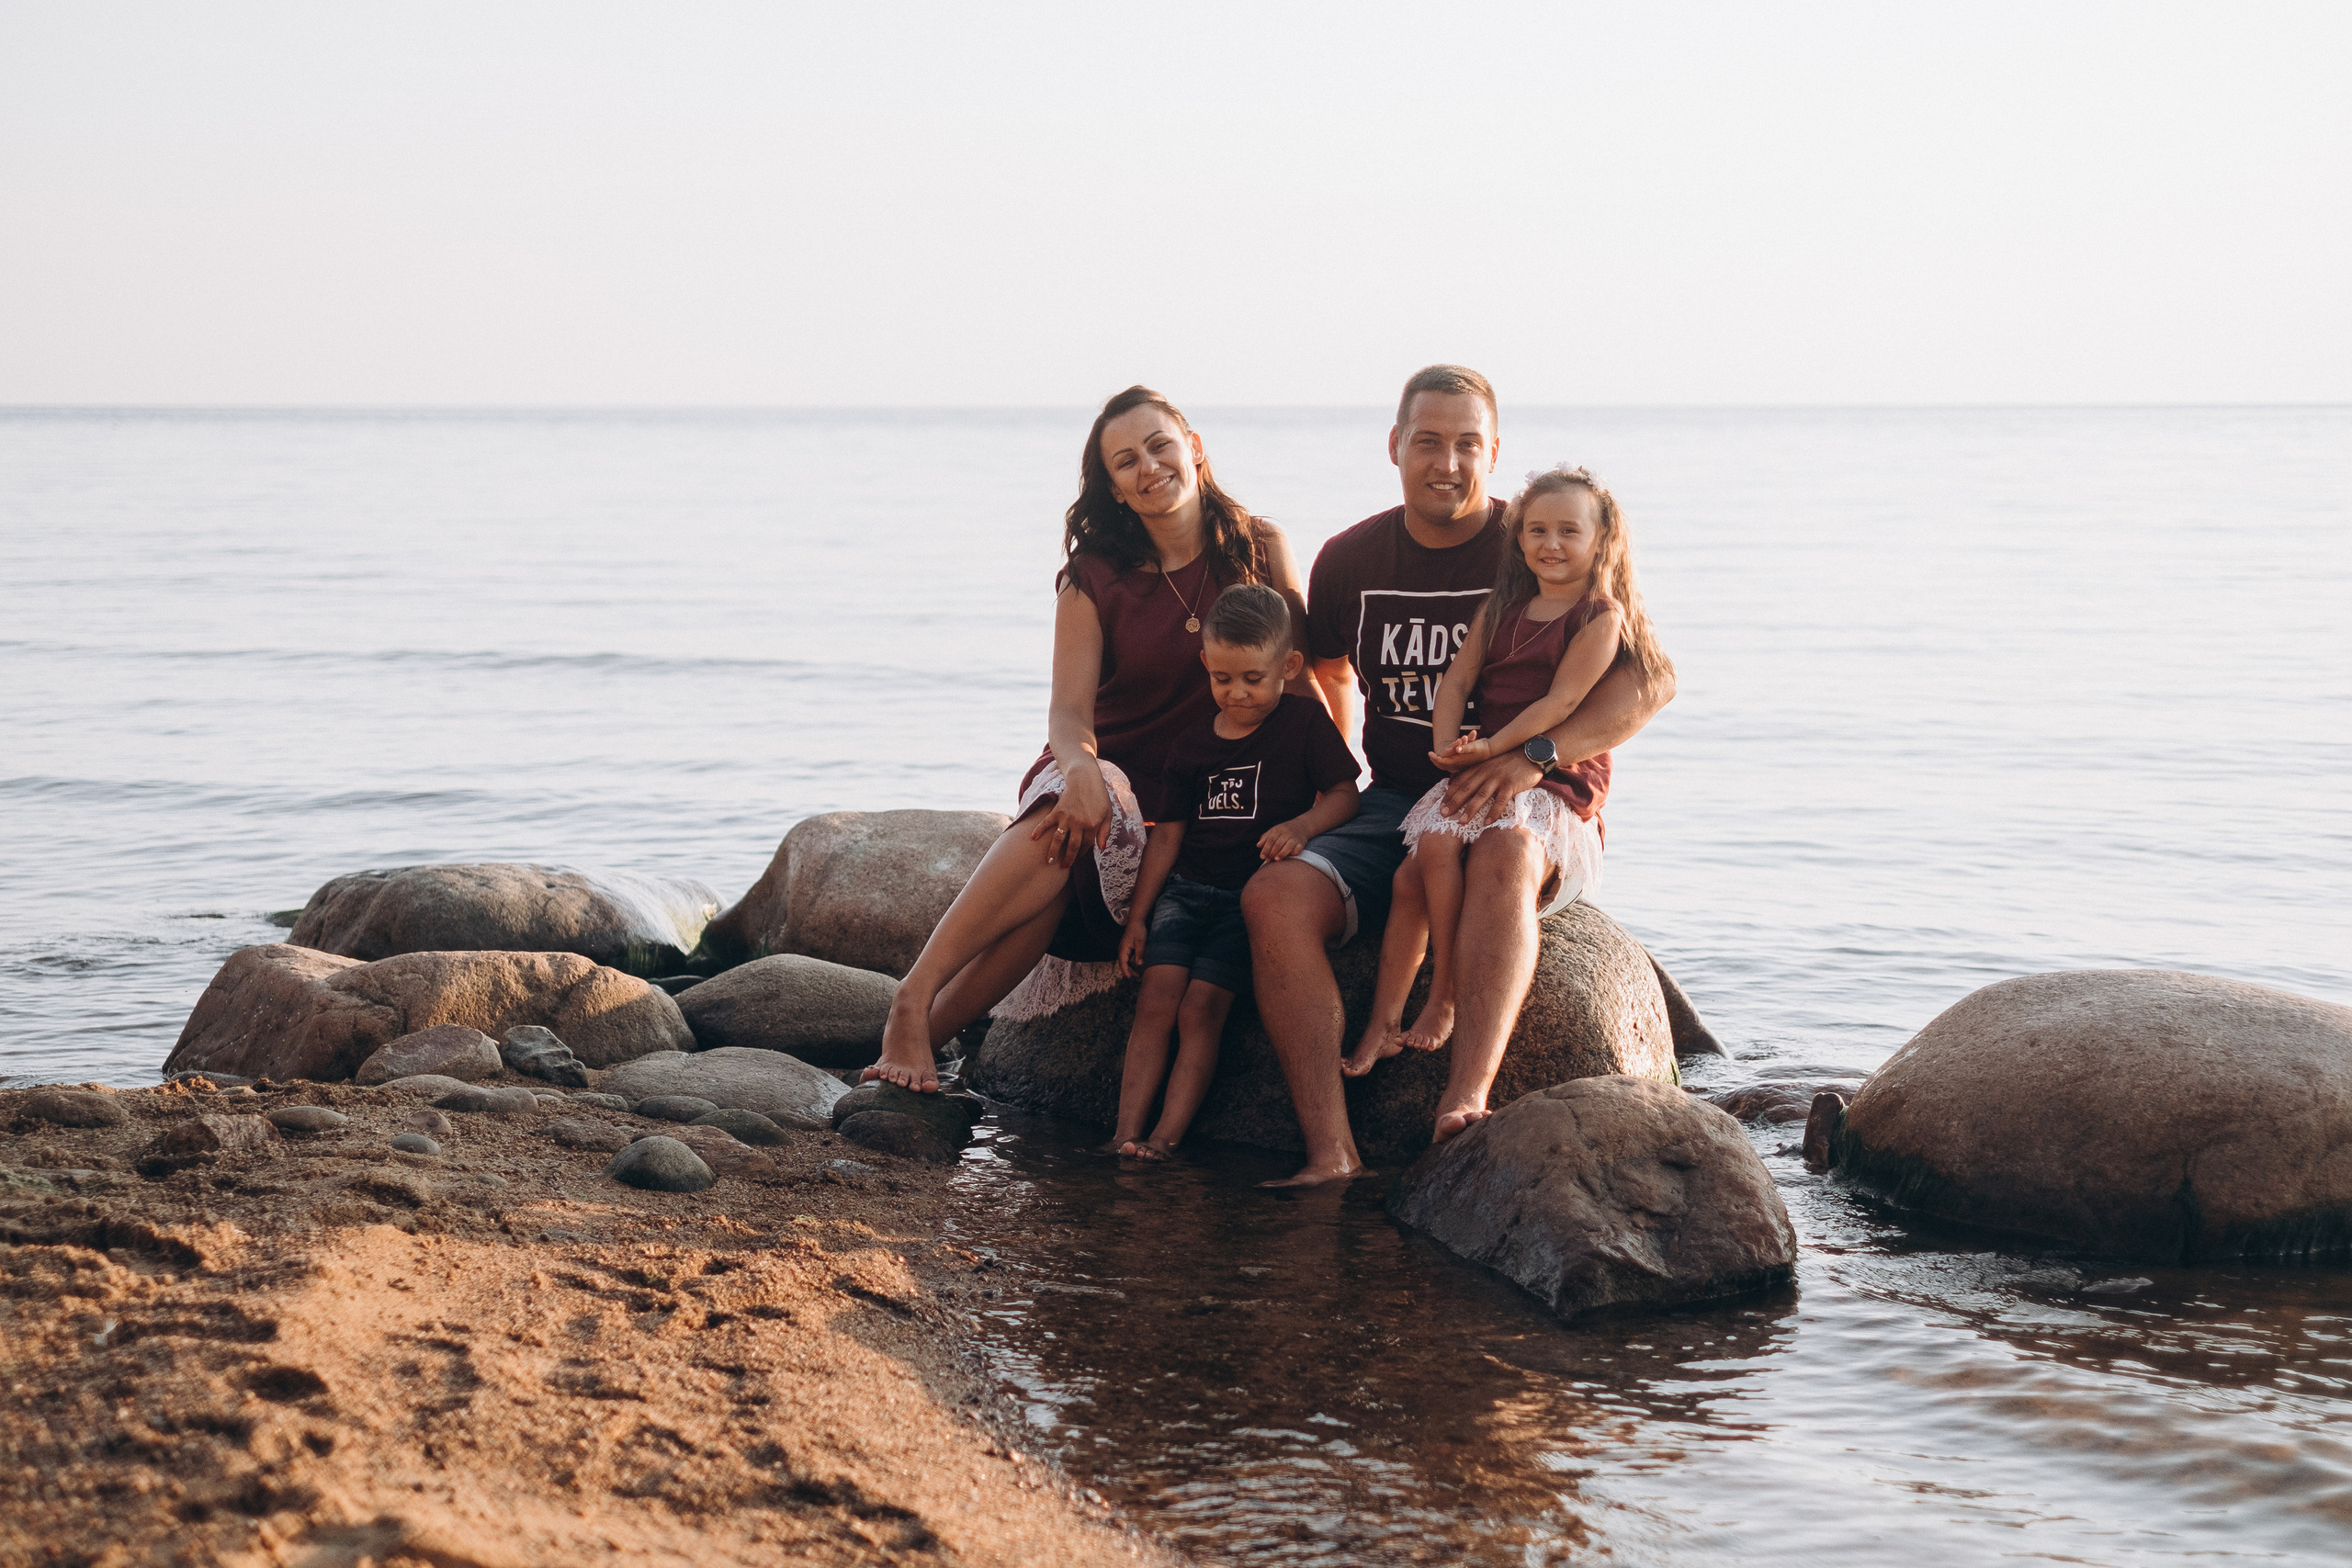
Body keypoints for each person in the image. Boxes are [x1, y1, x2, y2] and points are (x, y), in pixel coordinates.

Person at [1239, 366, 1677, 1185]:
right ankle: (1330, 1152)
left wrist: (1532, 757)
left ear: (1495, 452)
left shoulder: (1543, 540)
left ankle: (1465, 1096)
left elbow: (1652, 681)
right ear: (1396, 446)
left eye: (1468, 443)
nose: (1448, 461)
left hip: (1535, 799)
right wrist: (1327, 787)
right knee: (1272, 895)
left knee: (1504, 853)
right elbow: (1321, 673)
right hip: (1401, 801)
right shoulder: (1350, 558)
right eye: (1430, 441)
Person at [863, 386, 1313, 1093]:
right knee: (1072, 827)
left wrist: (1325, 797)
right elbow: (1070, 715)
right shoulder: (1092, 578)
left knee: (1053, 893)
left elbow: (1305, 681)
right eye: (1126, 460)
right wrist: (1081, 769)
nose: (1150, 466)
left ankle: (919, 1040)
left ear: (1193, 448)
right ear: (1114, 488)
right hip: (1101, 771)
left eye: (1160, 445)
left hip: (1198, 807)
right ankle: (911, 999)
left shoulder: (1261, 548)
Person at [1346, 466, 1668, 1092]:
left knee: (1492, 854)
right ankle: (1387, 1018)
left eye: (1569, 531)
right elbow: (1458, 682)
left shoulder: (1599, 615)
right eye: (1537, 529)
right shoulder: (1504, 608)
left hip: (1548, 781)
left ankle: (1444, 1002)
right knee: (1423, 859)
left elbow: (1560, 700)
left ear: (1601, 541)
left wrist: (1500, 745)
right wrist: (1446, 742)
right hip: (1486, 762)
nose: (1551, 543)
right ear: (1518, 538)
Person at [1109, 584, 1361, 1160]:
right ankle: (1124, 1134)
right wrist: (1138, 919)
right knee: (1157, 999)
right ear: (1206, 666)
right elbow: (1167, 834)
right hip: (1185, 892)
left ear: (1288, 666)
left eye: (1253, 678)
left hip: (1246, 900)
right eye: (1223, 679)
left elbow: (1346, 796)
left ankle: (1165, 1138)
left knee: (1201, 1008)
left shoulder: (1303, 724)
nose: (1237, 693)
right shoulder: (1193, 743)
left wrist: (1302, 827)